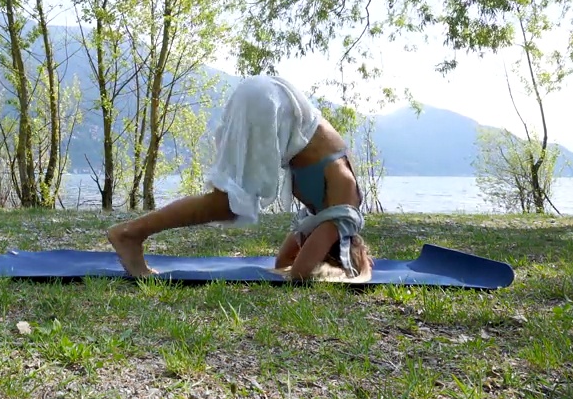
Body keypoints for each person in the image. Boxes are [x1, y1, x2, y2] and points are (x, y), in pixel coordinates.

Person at [106, 74, 373, 281]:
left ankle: (133, 233)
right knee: (226, 205)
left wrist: (321, 260)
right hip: (271, 104)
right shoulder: (343, 209)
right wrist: (353, 272)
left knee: (228, 205)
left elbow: (283, 263)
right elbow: (299, 273)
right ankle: (131, 234)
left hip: (268, 97)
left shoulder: (322, 213)